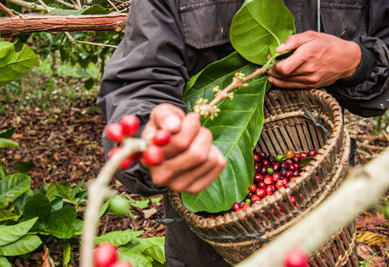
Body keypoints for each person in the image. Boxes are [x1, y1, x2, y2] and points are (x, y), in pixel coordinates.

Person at [98, 0, 389, 266]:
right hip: (209, 240)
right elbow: (138, 84)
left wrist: (358, 61)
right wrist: (154, 139)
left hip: (327, 214)